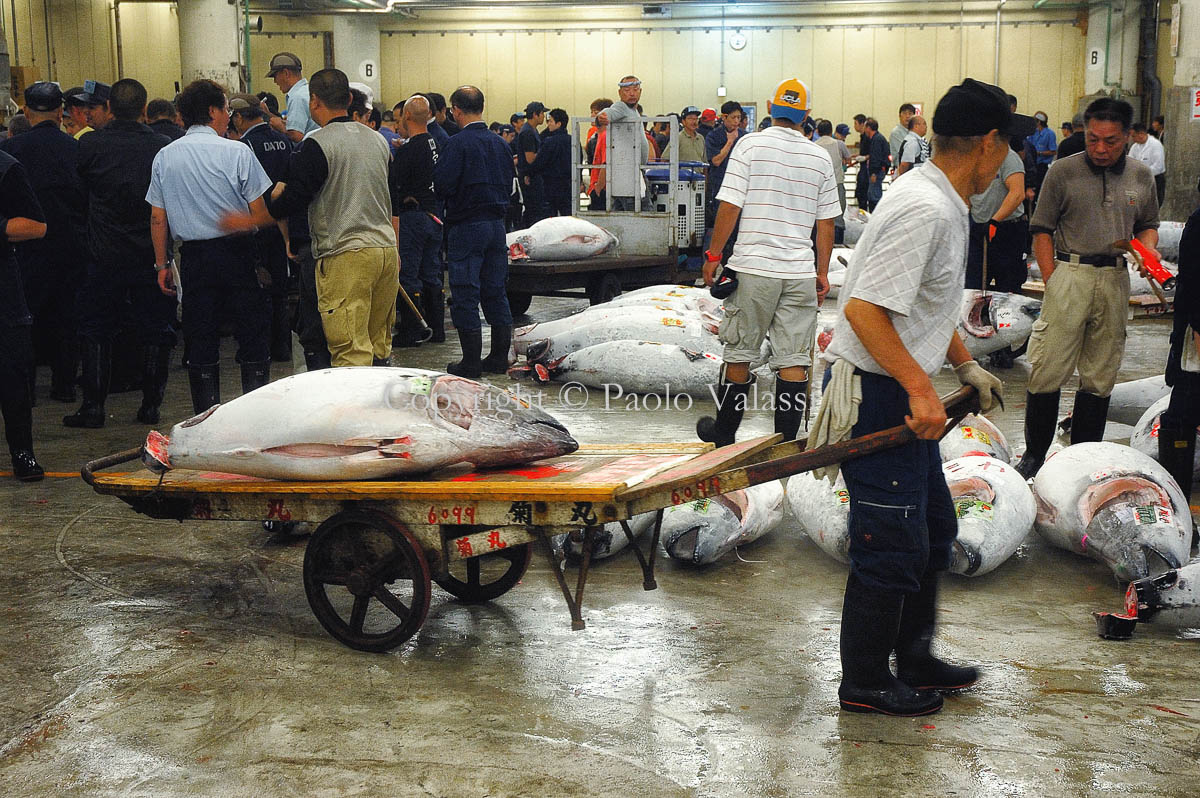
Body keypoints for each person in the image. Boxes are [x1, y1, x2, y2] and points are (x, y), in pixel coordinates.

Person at [815, 78, 1011, 717]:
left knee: (930, 529)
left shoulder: (943, 200)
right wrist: (922, 387)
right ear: (987, 144)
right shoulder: (925, 207)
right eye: (1005, 148)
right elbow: (867, 310)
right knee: (888, 541)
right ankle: (865, 681)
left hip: (898, 384)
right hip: (878, 393)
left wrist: (963, 365)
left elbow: (921, 305)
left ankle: (916, 659)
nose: (1005, 163)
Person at [1016, 97, 1160, 479]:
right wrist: (1053, 280)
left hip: (1115, 278)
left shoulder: (1141, 176)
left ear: (1128, 136)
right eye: (1093, 138)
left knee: (1100, 374)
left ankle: (1082, 458)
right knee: (1048, 367)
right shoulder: (1062, 172)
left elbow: (1148, 223)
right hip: (1069, 273)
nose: (1099, 148)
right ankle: (1035, 454)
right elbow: (1041, 230)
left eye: (1110, 141)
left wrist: (1147, 253)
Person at [223, 68, 399, 370]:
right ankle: (378, 411)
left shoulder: (318, 143)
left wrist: (258, 213)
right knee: (378, 344)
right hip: (384, 253)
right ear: (348, 99)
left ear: (314, 101)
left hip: (347, 256)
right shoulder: (378, 141)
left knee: (350, 351)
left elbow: (293, 201)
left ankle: (352, 418)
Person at [696, 79, 840, 448]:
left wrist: (714, 256)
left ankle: (724, 433)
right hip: (798, 272)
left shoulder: (749, 145)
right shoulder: (819, 156)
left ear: (770, 108)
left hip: (753, 269)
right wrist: (822, 273)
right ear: (806, 114)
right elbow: (826, 225)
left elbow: (729, 206)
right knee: (793, 359)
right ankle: (785, 443)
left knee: (740, 352)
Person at [148, 80, 274, 415]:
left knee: (200, 337)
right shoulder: (237, 152)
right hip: (238, 255)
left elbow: (157, 218)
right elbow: (260, 214)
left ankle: (205, 417)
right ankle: (257, 415)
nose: (229, 117)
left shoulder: (165, 156)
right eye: (226, 110)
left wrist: (162, 266)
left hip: (194, 258)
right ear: (212, 112)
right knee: (251, 334)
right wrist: (241, 222)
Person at [65, 79, 175, 429]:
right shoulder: (162, 146)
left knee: (96, 329)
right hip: (150, 254)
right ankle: (150, 406)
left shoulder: (91, 145)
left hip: (103, 254)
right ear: (144, 109)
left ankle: (94, 407)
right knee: (156, 330)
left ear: (109, 107)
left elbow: (76, 198)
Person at [0, 82, 88, 404]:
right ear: (60, 112)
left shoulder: (11, 152)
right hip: (71, 248)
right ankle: (64, 385)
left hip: (24, 250)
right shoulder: (77, 148)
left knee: (26, 321)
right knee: (68, 318)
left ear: (25, 111)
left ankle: (26, 391)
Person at [433, 85, 516, 377]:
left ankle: (470, 362)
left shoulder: (456, 144)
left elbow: (441, 185)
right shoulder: (501, 145)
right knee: (495, 290)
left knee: (466, 290)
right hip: (497, 226)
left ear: (455, 110)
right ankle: (497, 357)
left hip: (467, 226)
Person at [230, 93, 295, 363]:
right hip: (284, 223)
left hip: (257, 225)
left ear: (239, 117)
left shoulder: (243, 147)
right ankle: (283, 347)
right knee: (281, 288)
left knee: (257, 289)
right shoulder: (283, 141)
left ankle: (262, 349)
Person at [0, 147, 47, 480]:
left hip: (3, 289)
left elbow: (36, 226)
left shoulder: (6, 168)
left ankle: (22, 452)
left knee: (12, 373)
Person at [965, 143, 1028, 368]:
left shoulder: (1009, 158)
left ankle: (1003, 345)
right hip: (979, 230)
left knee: (1006, 292)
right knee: (973, 289)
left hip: (1007, 231)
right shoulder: (974, 157)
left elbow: (1017, 192)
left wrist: (995, 220)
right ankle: (973, 343)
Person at [390, 94, 445, 347]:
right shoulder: (437, 141)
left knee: (409, 274)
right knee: (431, 273)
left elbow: (396, 186)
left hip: (414, 218)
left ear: (407, 116)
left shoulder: (409, 150)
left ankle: (412, 331)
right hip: (435, 216)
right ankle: (437, 328)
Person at [1157, 205, 1199, 500]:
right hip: (1195, 335)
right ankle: (1178, 504)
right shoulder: (1198, 223)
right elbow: (1193, 282)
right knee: (1182, 416)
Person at [597, 76, 652, 211]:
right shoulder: (621, 107)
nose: (632, 93)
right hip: (629, 174)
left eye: (635, 89)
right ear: (620, 93)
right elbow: (608, 113)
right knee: (641, 215)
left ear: (641, 91)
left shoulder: (633, 111)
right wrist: (601, 118)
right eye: (627, 90)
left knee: (621, 214)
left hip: (629, 172)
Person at [266, 51, 319, 143]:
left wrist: (281, 128)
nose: (275, 81)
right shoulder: (308, 90)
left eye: (275, 76)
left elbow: (296, 135)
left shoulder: (297, 97)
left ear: (286, 73)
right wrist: (268, 113)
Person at [529, 108, 573, 218]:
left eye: (551, 121)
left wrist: (528, 173)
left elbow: (540, 162)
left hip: (550, 186)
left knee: (550, 218)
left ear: (558, 124)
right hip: (569, 185)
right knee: (567, 217)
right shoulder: (573, 140)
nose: (548, 124)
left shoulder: (549, 141)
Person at [814, 118, 852, 237]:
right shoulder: (839, 144)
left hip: (818, 186)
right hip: (837, 184)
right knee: (837, 217)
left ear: (818, 132)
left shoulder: (814, 145)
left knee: (820, 216)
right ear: (831, 132)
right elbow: (848, 159)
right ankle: (838, 241)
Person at [705, 100, 745, 203]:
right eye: (733, 117)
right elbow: (716, 161)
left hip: (739, 183)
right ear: (724, 117)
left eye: (739, 117)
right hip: (719, 183)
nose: (736, 121)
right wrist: (730, 141)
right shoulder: (713, 136)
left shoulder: (744, 136)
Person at [516, 101, 547, 226]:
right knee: (533, 211)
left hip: (530, 176)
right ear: (535, 114)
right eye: (542, 114)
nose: (544, 117)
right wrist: (545, 154)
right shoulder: (528, 132)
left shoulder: (531, 130)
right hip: (530, 178)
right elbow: (530, 158)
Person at [1129, 122, 1166, 206]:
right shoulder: (1135, 146)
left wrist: (1142, 174)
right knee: (1134, 204)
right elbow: (1130, 162)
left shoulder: (1155, 145)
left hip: (1154, 180)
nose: (1132, 138)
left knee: (1152, 206)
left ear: (1141, 134)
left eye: (1133, 136)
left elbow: (1158, 166)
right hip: (1137, 180)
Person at [859, 118, 889, 211]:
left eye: (865, 127)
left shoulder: (876, 140)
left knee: (874, 195)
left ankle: (875, 215)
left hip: (877, 172)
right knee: (872, 194)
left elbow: (876, 158)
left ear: (868, 128)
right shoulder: (877, 138)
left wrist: (873, 173)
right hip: (878, 170)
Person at [889, 103, 916, 172]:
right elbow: (905, 153)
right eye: (904, 113)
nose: (907, 116)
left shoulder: (914, 132)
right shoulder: (896, 132)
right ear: (899, 116)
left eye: (910, 113)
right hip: (902, 170)